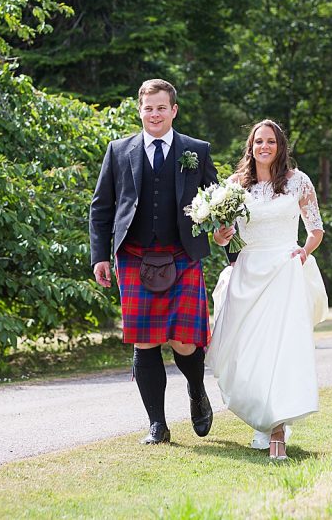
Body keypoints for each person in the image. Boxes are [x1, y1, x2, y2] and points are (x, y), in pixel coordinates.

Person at [89, 79, 219, 445]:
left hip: (182, 256)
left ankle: (196, 390)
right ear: (139, 110)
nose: (155, 114)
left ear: (174, 110)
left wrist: (228, 242)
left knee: (184, 341)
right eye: (148, 108)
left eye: (162, 107)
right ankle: (157, 425)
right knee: (145, 342)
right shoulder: (118, 151)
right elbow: (101, 207)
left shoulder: (196, 149)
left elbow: (217, 200)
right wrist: (100, 255)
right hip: (134, 257)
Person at [206, 119, 328, 461]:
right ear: (250, 146)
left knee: (281, 348)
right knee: (247, 352)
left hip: (284, 271)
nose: (264, 146)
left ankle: (277, 431)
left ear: (280, 146)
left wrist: (304, 251)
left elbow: (315, 229)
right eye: (258, 141)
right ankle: (262, 418)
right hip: (247, 272)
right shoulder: (234, 187)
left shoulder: (297, 182)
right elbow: (222, 234)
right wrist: (220, 237)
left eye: (270, 141)